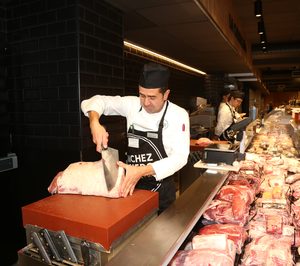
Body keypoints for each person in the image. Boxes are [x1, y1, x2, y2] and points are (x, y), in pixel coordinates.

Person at [81, 62, 190, 214]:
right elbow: (97, 101)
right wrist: (94, 122)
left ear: (165, 95)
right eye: (142, 95)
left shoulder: (178, 115)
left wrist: (141, 171)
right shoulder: (131, 105)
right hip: (132, 187)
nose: (146, 102)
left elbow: (180, 157)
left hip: (161, 191)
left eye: (152, 97)